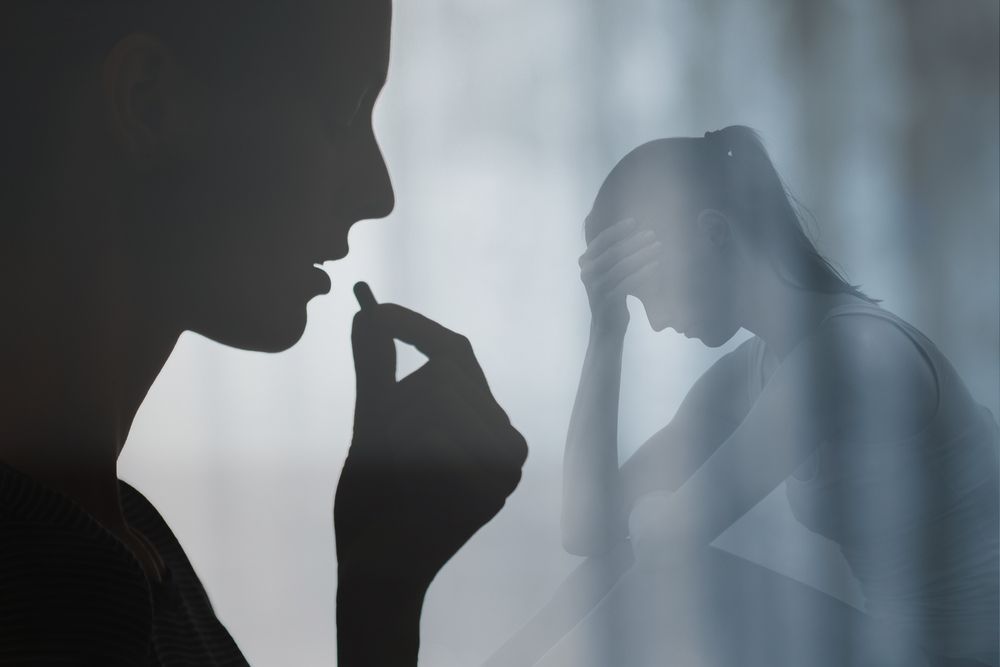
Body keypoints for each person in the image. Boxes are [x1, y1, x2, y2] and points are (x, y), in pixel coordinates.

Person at [0, 2, 526, 665]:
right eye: (343, 112)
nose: (378, 191)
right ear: (149, 103)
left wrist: (381, 591)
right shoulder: (48, 584)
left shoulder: (124, 544)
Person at [555, 127, 998, 666]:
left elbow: (671, 544)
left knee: (670, 575)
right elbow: (586, 528)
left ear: (714, 232)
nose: (659, 321)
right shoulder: (756, 370)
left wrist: (647, 524)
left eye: (653, 292)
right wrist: (605, 330)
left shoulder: (849, 353)